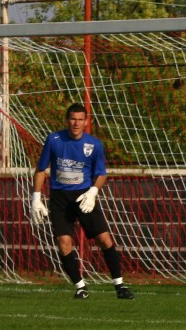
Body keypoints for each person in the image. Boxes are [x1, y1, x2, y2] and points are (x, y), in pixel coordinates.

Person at [31, 103, 135, 300]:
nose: (76, 123)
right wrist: (36, 199)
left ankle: (120, 285)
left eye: (80, 119)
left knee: (104, 239)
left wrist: (93, 192)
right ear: (66, 120)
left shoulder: (94, 144)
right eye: (72, 119)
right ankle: (80, 287)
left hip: (84, 197)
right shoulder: (54, 140)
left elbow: (101, 174)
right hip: (60, 199)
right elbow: (40, 169)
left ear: (86, 121)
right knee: (64, 243)